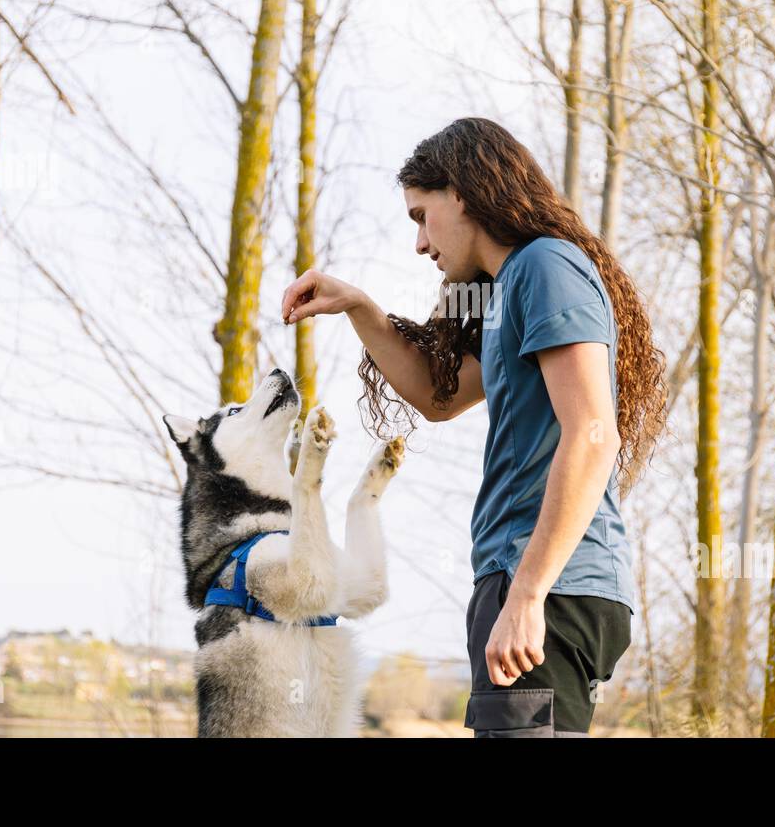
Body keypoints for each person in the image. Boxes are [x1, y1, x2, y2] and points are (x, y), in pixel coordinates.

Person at [280, 117, 668, 736]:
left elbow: (594, 434)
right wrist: (358, 306)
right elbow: (442, 397)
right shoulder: (512, 284)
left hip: (547, 584)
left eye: (419, 215)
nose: (420, 243)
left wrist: (527, 596)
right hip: (535, 582)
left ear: (461, 192)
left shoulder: (546, 266)